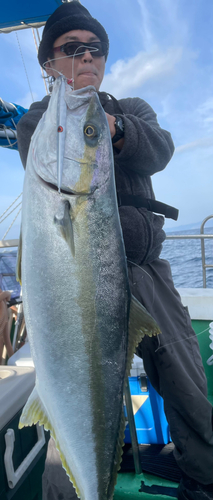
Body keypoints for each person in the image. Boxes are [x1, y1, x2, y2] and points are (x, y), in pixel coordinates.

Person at [17, 3, 213, 500]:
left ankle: (204, 481)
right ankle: (78, 485)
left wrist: (113, 127)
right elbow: (38, 159)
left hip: (149, 274)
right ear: (49, 63)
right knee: (70, 392)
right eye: (72, 48)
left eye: (95, 48)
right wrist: (82, 123)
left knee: (187, 384)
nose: (87, 56)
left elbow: (161, 149)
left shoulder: (133, 110)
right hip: (76, 281)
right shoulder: (39, 122)